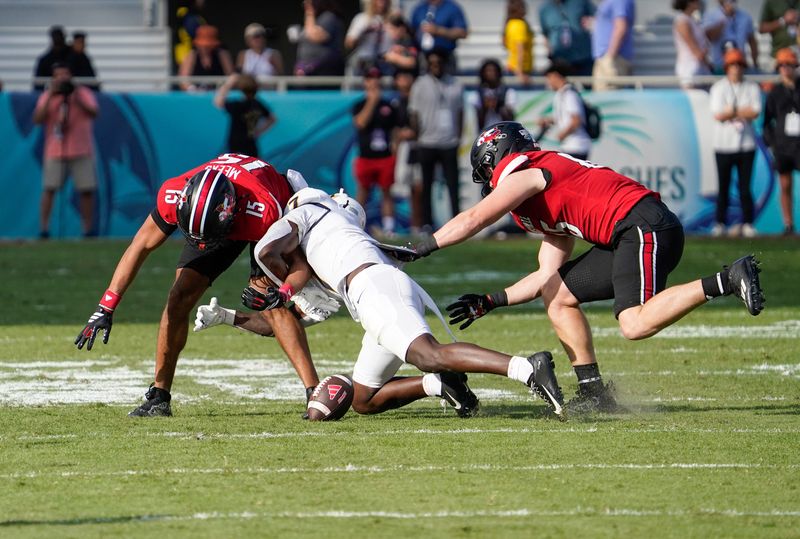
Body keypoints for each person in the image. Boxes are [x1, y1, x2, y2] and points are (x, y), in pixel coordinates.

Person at [408, 121, 765, 413]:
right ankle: (593, 391)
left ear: (499, 154)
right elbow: (545, 277)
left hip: (640, 226)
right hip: (628, 232)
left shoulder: (528, 170)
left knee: (634, 322)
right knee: (558, 296)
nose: (488, 180)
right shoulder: (541, 200)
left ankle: (727, 279)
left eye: (486, 168)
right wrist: (491, 300)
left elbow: (475, 218)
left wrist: (424, 246)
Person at [242, 187, 566, 418]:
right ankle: (440, 384)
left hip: (374, 290)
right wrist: (282, 293)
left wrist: (270, 284)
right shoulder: (332, 230)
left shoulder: (306, 212)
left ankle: (527, 368)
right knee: (364, 398)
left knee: (428, 354)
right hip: (379, 291)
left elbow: (266, 250)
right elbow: (298, 271)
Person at [74, 154, 323, 417]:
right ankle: (159, 397)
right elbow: (140, 246)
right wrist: (106, 307)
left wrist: (284, 291)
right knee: (179, 296)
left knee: (268, 298)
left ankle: (314, 392)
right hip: (218, 217)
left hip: (269, 211)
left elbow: (298, 266)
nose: (201, 245)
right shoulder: (173, 194)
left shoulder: (262, 211)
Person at [32, 63, 99, 239]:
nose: (62, 78)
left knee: (86, 190)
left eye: (65, 74)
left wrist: (75, 97)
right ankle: (44, 229)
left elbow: (94, 112)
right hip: (55, 150)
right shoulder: (48, 95)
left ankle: (88, 229)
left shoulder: (82, 93)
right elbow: (37, 119)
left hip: (81, 149)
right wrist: (51, 96)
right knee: (49, 189)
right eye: (58, 75)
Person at [408, 49, 463, 231]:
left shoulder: (455, 84)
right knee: (427, 185)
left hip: (449, 141)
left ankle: (456, 220)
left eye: (439, 63)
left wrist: (458, 135)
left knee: (452, 185)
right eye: (432, 63)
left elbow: (460, 112)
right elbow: (414, 113)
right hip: (427, 141)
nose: (436, 67)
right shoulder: (420, 84)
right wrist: (418, 135)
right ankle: (427, 222)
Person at [709, 48, 761, 238]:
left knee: (745, 187)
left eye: (739, 64)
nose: (736, 68)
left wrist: (732, 111)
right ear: (727, 67)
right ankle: (720, 222)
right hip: (723, 145)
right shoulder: (719, 88)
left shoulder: (751, 87)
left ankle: (748, 222)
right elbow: (718, 115)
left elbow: (755, 112)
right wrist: (741, 111)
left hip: (746, 145)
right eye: (732, 64)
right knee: (723, 186)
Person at [352, 66, 400, 236]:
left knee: (386, 192)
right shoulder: (359, 104)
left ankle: (389, 227)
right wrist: (372, 101)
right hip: (366, 156)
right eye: (370, 78)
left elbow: (395, 130)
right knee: (363, 191)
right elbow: (361, 122)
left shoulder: (389, 105)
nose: (374, 81)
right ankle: (355, 225)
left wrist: (396, 149)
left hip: (384, 156)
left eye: (377, 77)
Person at [763, 48, 800, 236]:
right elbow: (766, 121)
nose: (786, 68)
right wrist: (773, 143)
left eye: (789, 64)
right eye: (782, 65)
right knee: (785, 185)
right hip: (783, 146)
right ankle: (788, 224)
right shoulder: (775, 92)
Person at [536, 61, 591, 160]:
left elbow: (576, 120)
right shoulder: (560, 94)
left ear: (555, 75)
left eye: (549, 78)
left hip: (576, 146)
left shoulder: (569, 94)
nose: (548, 82)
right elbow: (564, 118)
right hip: (569, 146)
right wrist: (548, 120)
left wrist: (563, 134)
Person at [390, 69, 423, 233]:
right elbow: (393, 128)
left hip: (420, 145)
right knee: (404, 186)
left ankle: (419, 224)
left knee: (419, 187)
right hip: (405, 147)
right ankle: (407, 225)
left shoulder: (420, 99)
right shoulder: (397, 102)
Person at [214, 74, 275, 157]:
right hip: (250, 144)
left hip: (236, 144)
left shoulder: (239, 105)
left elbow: (218, 102)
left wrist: (228, 84)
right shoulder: (257, 104)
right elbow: (272, 119)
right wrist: (258, 131)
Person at [538, 0, 596, 77]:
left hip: (583, 59)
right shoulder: (545, 9)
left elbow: (599, 17)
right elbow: (545, 34)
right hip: (559, 61)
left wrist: (591, 23)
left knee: (586, 86)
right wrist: (550, 52)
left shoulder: (581, 2)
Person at [409, 0, 468, 72]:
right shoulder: (419, 8)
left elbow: (462, 33)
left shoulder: (452, 8)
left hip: (445, 57)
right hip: (423, 57)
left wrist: (439, 31)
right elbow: (411, 31)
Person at [703, 0, 759, 74]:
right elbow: (710, 37)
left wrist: (755, 63)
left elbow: (752, 41)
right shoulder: (710, 15)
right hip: (719, 67)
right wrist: (725, 17)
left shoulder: (745, 16)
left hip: (739, 65)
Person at [591, 0, 635, 91]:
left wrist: (610, 57)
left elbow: (621, 27)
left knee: (610, 98)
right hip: (606, 60)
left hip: (613, 61)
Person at [294, 0, 345, 76]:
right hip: (308, 70)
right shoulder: (315, 20)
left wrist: (309, 13)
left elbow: (315, 36)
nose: (306, 5)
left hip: (324, 70)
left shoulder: (329, 17)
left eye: (309, 2)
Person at [178, 25, 234, 91]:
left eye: (208, 46)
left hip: (218, 92)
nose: (204, 48)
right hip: (196, 94)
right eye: (202, 45)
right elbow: (183, 79)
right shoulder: (192, 55)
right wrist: (192, 89)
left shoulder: (222, 54)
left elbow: (231, 76)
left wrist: (223, 89)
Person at [345, 0, 393, 75]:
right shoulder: (361, 18)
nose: (381, 2)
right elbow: (349, 44)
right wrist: (362, 31)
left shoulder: (393, 19)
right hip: (365, 60)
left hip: (386, 61)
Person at [673, 0, 711, 88]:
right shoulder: (682, 21)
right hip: (689, 70)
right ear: (689, 3)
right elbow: (695, 50)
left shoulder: (692, 20)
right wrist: (705, 51)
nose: (700, 2)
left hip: (701, 69)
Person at [470, 58, 516, 132]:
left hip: (503, 134)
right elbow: (479, 121)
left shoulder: (508, 92)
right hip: (484, 134)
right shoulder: (477, 94)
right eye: (488, 71)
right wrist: (485, 107)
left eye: (494, 71)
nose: (491, 74)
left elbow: (510, 118)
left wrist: (498, 106)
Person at [504, 0, 534, 85]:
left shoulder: (510, 23)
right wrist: (520, 73)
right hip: (521, 69)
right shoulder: (520, 25)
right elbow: (520, 50)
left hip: (512, 67)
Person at [33, 26, 71, 91]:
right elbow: (38, 84)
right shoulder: (44, 60)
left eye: (59, 37)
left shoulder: (75, 57)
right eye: (55, 37)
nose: (57, 39)